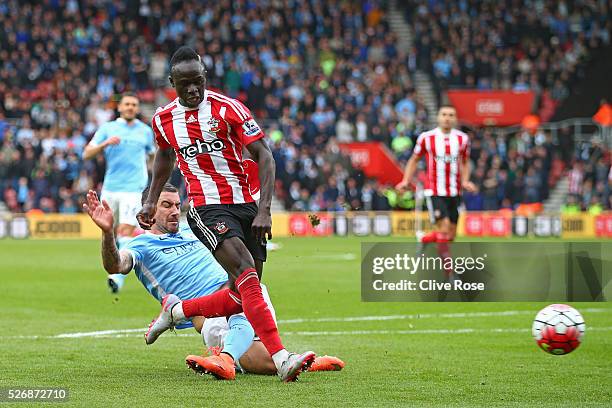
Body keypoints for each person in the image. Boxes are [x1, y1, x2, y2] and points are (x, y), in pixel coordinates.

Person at [136, 46, 314, 382]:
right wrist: (150, 199)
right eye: (185, 83)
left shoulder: (227, 108)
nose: (193, 89)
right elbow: (164, 157)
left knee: (241, 294)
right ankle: (281, 358)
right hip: (207, 206)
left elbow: (265, 156)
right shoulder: (163, 119)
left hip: (246, 206)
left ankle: (177, 311)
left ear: (205, 77)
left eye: (198, 81)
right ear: (172, 82)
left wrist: (264, 210)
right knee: (247, 273)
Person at [83, 184, 344, 380]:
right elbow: (115, 265)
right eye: (166, 205)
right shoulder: (140, 244)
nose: (175, 211)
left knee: (250, 290)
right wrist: (107, 232)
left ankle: (232, 358)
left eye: (176, 205)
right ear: (148, 210)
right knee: (259, 358)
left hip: (234, 290)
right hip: (207, 313)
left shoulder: (193, 230)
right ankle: (268, 359)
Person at [83, 93, 154, 293]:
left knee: (124, 230)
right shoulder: (108, 128)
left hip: (134, 188)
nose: (131, 107)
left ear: (138, 108)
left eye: (134, 104)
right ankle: (115, 265)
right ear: (120, 107)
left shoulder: (145, 131)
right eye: (127, 104)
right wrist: (105, 144)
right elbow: (86, 153)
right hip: (111, 187)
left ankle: (116, 277)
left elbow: (152, 154)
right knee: (108, 231)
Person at [396, 105, 476, 244]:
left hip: (455, 191)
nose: (447, 118)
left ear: (455, 119)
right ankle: (447, 266)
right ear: (438, 117)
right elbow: (414, 159)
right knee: (443, 229)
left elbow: (465, 162)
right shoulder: (426, 138)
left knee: (451, 235)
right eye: (444, 114)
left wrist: (465, 181)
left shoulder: (462, 139)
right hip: (434, 190)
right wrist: (405, 180)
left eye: (451, 115)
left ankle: (424, 239)